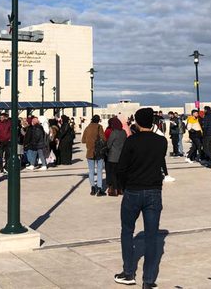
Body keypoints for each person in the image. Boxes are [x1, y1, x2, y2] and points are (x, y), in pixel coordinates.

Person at [114, 108, 166, 288]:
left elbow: (121, 167)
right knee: (152, 237)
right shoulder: (161, 141)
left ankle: (129, 272)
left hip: (133, 190)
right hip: (153, 191)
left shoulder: (132, 141)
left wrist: (123, 185)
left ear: (136, 122)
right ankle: (148, 280)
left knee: (127, 231)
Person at [82, 114, 107, 196]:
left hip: (89, 152)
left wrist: (90, 142)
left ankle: (92, 188)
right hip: (98, 152)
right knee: (99, 170)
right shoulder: (99, 127)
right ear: (98, 120)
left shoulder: (87, 128)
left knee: (91, 171)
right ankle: (99, 189)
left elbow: (83, 140)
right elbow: (103, 139)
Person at [106, 117, 127, 196]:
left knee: (113, 174)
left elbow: (109, 145)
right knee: (120, 174)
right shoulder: (124, 132)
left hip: (113, 157)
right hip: (122, 157)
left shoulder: (114, 132)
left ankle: (114, 190)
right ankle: (121, 189)